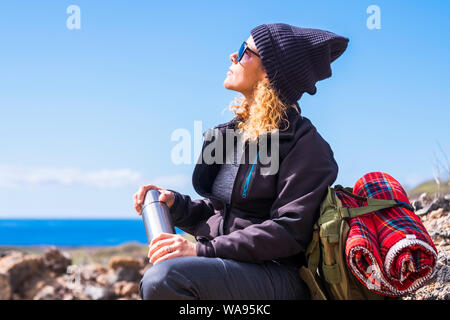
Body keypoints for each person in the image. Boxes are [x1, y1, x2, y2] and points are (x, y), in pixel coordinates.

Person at [134, 23, 349, 300]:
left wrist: (202, 251)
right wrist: (175, 205)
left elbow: (289, 230)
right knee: (162, 276)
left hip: (278, 275)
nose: (232, 56)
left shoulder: (305, 145)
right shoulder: (233, 134)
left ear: (270, 72)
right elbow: (220, 213)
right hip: (229, 266)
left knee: (164, 279)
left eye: (244, 51)